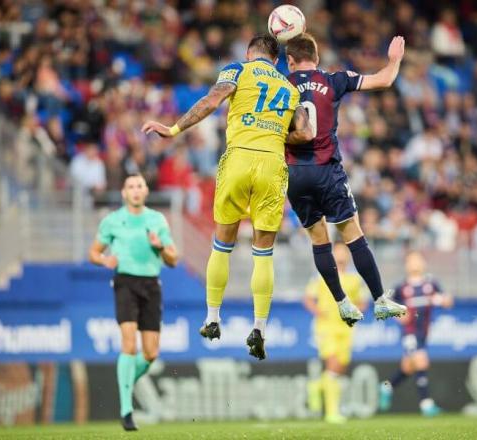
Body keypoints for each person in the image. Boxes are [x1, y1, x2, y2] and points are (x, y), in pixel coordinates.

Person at [142, 35, 313, 360]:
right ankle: (260, 327)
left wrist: (174, 129)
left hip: (238, 159)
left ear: (250, 54)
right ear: (276, 60)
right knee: (263, 252)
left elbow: (211, 100)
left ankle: (212, 318)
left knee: (223, 242)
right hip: (272, 163)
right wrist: (275, 133)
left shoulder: (237, 70)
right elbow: (306, 133)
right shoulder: (290, 88)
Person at [284, 33, 407, 326]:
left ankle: (341, 301)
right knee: (352, 233)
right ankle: (379, 300)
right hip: (327, 170)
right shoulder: (333, 79)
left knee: (318, 239)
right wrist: (394, 60)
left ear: (290, 61)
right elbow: (384, 80)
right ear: (317, 58)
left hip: (295, 173)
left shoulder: (281, 84)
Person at [88, 173, 179, 431]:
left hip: (151, 284)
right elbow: (94, 252)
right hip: (125, 282)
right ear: (124, 194)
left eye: (139, 185)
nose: (135, 190)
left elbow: (173, 259)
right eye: (130, 186)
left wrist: (160, 246)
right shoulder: (113, 221)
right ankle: (126, 409)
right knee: (128, 344)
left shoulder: (157, 220)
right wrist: (105, 260)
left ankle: (124, 383)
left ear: (146, 191)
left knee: (150, 353)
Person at [378, 251, 453, 416]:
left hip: (424, 332)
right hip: (409, 332)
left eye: (418, 260)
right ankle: (426, 404)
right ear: (406, 265)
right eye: (411, 260)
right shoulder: (400, 287)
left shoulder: (431, 283)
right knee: (421, 361)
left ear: (423, 264)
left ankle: (387, 386)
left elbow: (447, 300)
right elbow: (383, 304)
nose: (415, 264)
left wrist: (443, 300)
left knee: (408, 367)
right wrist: (399, 314)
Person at [303, 243, 368, 424]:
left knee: (340, 367)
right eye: (337, 250)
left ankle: (316, 386)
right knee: (332, 364)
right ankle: (332, 412)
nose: (341, 254)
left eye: (344, 251)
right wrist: (319, 312)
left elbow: (362, 302)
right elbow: (308, 299)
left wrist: (356, 312)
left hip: (346, 329)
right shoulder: (321, 275)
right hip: (326, 327)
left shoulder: (355, 279)